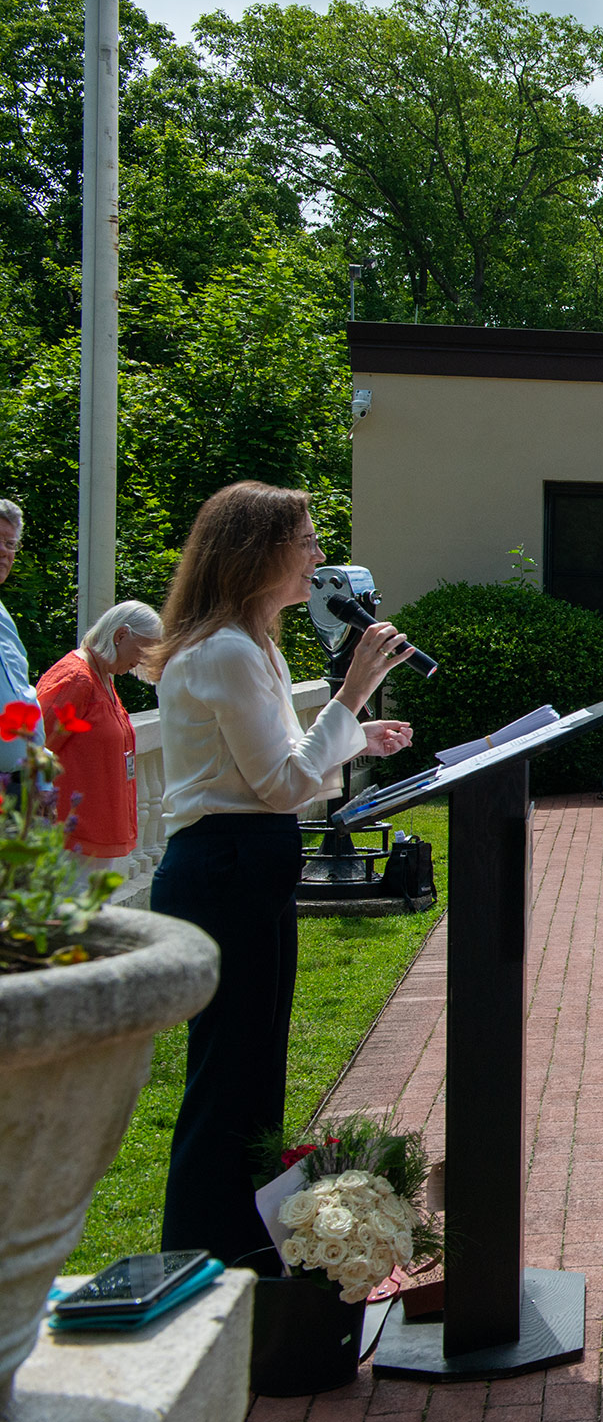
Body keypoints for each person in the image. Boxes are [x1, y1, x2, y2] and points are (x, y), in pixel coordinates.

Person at [151, 482, 417, 1267]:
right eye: (305, 541)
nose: (318, 558)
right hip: (225, 864)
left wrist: (353, 735)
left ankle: (239, 1249)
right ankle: (205, 1255)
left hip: (246, 859)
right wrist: (353, 690)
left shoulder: (250, 641)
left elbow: (280, 767)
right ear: (258, 551)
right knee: (230, 1073)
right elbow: (281, 786)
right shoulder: (228, 649)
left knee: (255, 1070)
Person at [37, 600, 162, 873]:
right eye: (144, 649)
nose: (143, 659)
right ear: (120, 635)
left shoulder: (100, 676)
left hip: (92, 837)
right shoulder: (76, 679)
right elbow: (33, 750)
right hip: (70, 840)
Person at [0, 500, 35, 792]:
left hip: (19, 784)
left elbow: (22, 695)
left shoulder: (4, 616)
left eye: (10, 543)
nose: (3, 551)